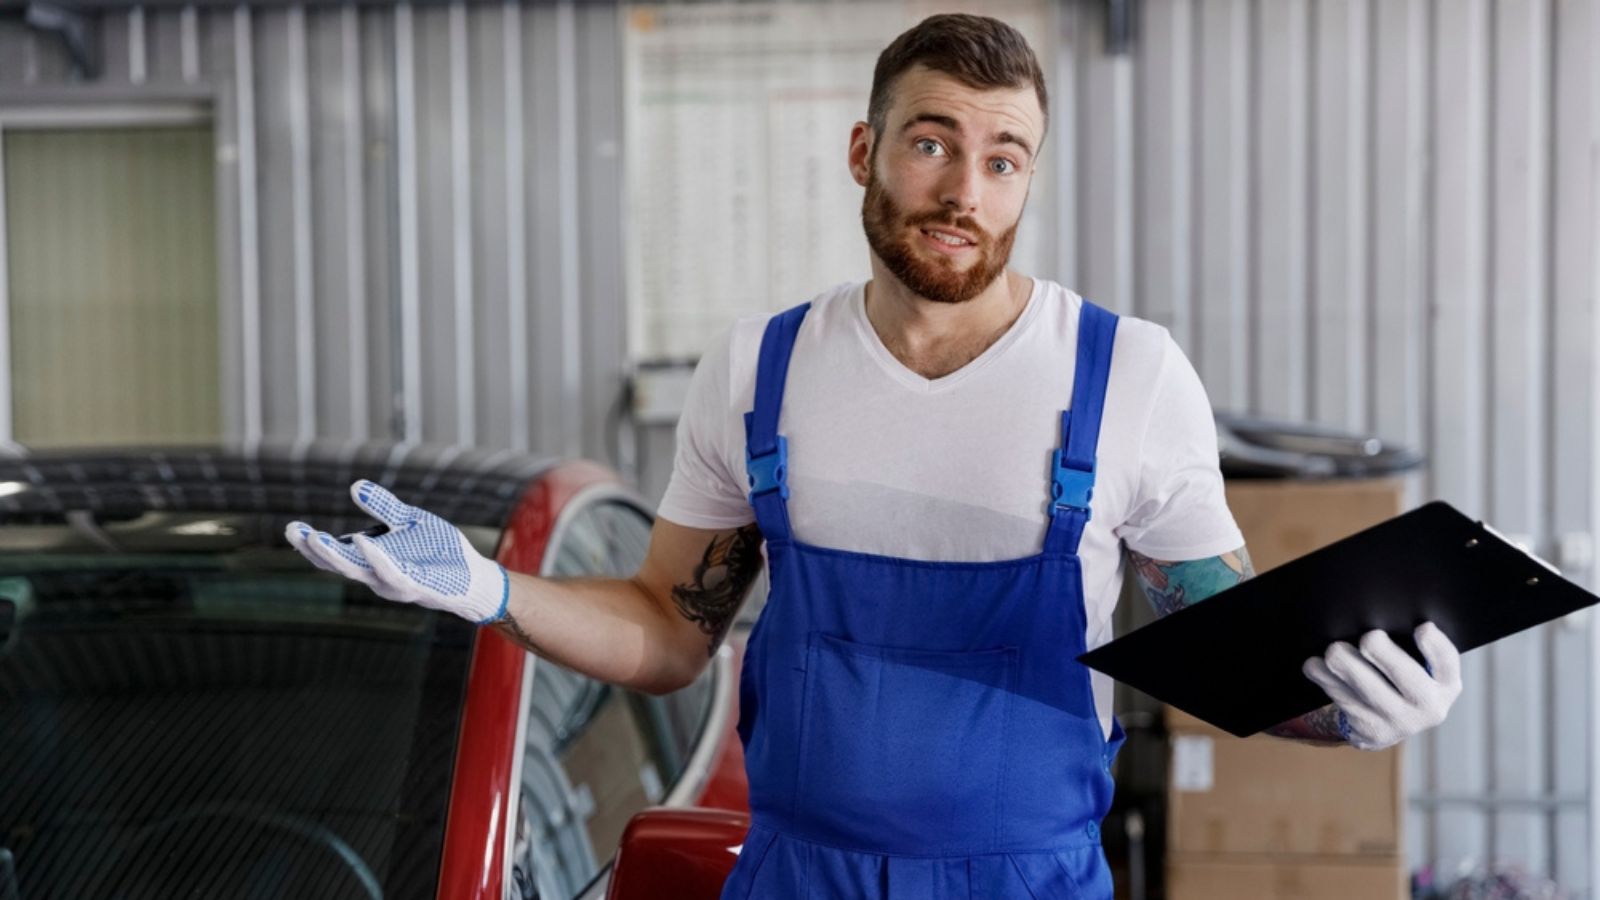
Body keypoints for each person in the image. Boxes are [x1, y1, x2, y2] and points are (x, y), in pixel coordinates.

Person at [287, 14, 1463, 898]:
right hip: (798, 876)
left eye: (1004, 159)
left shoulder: (1128, 379)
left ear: (1028, 181)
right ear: (865, 147)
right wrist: (500, 593)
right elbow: (666, 631)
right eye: (933, 143)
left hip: (1029, 883)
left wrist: (1352, 713)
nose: (964, 190)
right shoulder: (761, 372)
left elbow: (1229, 648)